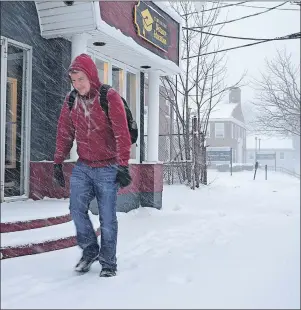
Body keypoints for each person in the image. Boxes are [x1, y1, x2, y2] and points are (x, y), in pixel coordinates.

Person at [53, 53, 132, 277]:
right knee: (76, 209)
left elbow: (121, 134)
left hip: (108, 167)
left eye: (81, 80)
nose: (77, 85)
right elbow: (64, 133)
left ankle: (108, 263)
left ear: (91, 76)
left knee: (107, 217)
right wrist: (58, 162)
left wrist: (123, 165)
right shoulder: (72, 100)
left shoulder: (109, 97)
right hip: (83, 166)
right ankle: (90, 251)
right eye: (73, 81)